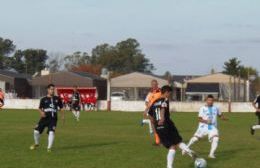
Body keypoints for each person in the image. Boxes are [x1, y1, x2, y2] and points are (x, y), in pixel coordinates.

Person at [148, 85, 196, 168]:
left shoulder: (155, 102)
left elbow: (150, 115)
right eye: (170, 93)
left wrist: (155, 126)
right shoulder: (165, 99)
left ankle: (188, 153)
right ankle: (189, 152)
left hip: (158, 128)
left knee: (173, 145)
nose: (170, 95)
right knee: (177, 142)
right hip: (167, 125)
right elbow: (163, 108)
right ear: (166, 92)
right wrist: (162, 118)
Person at [184, 95, 228, 159]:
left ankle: (211, 154)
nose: (210, 101)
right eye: (209, 100)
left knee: (216, 139)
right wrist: (206, 121)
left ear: (213, 101)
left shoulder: (216, 108)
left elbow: (220, 115)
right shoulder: (202, 108)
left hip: (213, 127)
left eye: (211, 100)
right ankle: (185, 148)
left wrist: (224, 118)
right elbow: (199, 119)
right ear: (206, 101)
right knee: (195, 139)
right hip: (203, 126)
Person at [30, 84, 64, 152]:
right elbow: (39, 108)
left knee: (51, 132)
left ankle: (49, 148)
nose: (52, 91)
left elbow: (61, 108)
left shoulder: (57, 98)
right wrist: (41, 112)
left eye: (53, 89)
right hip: (44, 118)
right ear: (48, 90)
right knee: (36, 131)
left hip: (53, 119)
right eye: (51, 89)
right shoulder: (43, 99)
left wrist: (63, 116)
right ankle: (36, 143)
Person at [141, 80, 161, 145]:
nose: (154, 86)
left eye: (155, 84)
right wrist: (147, 108)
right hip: (151, 111)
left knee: (159, 125)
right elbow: (147, 102)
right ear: (151, 85)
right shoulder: (150, 93)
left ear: (157, 84)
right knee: (153, 124)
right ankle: (157, 140)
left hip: (159, 110)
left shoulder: (161, 92)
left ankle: (162, 139)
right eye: (152, 84)